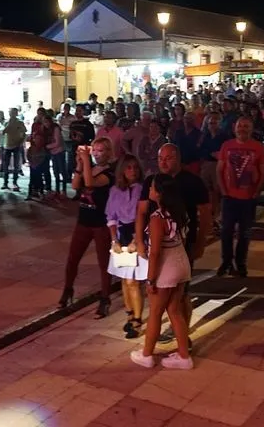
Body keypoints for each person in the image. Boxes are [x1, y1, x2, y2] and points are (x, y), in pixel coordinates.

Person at [135, 144, 210, 347]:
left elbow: (205, 214)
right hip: (158, 245)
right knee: (164, 296)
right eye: (160, 158)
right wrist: (140, 240)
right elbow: (141, 211)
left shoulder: (192, 182)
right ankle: (178, 337)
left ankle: (182, 336)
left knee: (181, 294)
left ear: (178, 158)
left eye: (168, 158)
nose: (164, 162)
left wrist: (201, 242)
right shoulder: (152, 181)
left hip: (181, 246)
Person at [131, 174, 193, 370]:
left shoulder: (157, 218)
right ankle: (184, 356)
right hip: (182, 263)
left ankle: (147, 355)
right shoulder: (178, 212)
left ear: (159, 193)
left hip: (167, 268)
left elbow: (156, 252)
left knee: (156, 313)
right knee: (175, 311)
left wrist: (150, 280)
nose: (149, 190)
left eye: (152, 188)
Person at [61, 137, 116, 318]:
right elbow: (76, 185)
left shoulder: (110, 173)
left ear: (108, 152)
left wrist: (85, 161)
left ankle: (105, 298)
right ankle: (68, 290)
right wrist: (80, 164)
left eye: (100, 150)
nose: (96, 154)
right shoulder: (88, 168)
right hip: (83, 221)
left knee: (104, 263)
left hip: (100, 223)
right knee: (72, 259)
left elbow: (91, 183)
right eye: (94, 150)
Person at [216, 116, 264, 277]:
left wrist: (256, 192)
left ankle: (241, 262)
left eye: (246, 126)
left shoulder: (258, 147)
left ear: (251, 129)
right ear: (234, 128)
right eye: (240, 126)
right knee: (226, 231)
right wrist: (224, 191)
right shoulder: (227, 146)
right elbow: (219, 170)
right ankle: (226, 261)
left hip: (248, 198)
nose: (242, 129)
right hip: (229, 197)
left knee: (244, 233)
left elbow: (263, 172)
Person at [106, 155, 147, 338]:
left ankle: (137, 320)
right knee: (124, 279)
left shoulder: (142, 189)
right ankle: (129, 315)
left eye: (135, 167)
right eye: (129, 168)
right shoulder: (115, 191)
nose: (133, 171)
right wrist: (114, 240)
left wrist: (137, 240)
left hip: (137, 234)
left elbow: (145, 217)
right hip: (121, 235)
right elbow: (111, 217)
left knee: (133, 281)